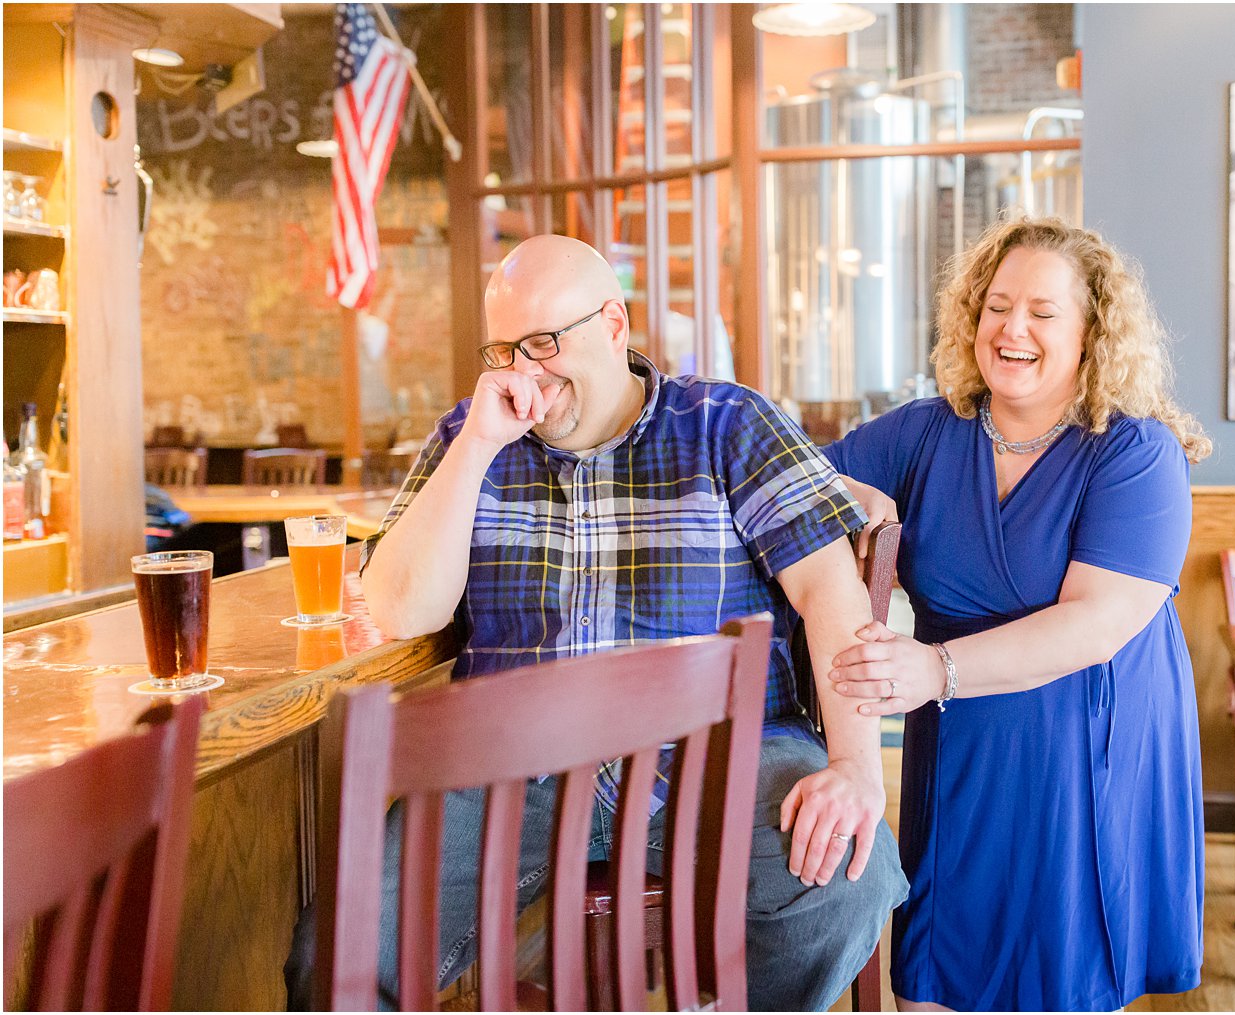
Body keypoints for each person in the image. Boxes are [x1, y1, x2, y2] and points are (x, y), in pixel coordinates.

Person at [284, 235, 906, 1011]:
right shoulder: (470, 438)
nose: (525, 373)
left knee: (848, 873)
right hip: (515, 770)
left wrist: (853, 763)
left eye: (544, 343)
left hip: (722, 755)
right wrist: (477, 445)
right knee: (335, 951)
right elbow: (402, 608)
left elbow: (829, 591)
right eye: (505, 350)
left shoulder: (727, 424)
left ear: (614, 324)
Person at [821, 216, 1212, 1012]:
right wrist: (848, 492)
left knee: (1059, 975)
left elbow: (1097, 622)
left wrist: (933, 667)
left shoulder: (1136, 453)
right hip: (962, 741)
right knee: (936, 965)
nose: (1013, 329)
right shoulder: (928, 431)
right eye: (997, 306)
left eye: (1042, 311)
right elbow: (789, 476)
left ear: (1093, 331)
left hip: (1084, 741)